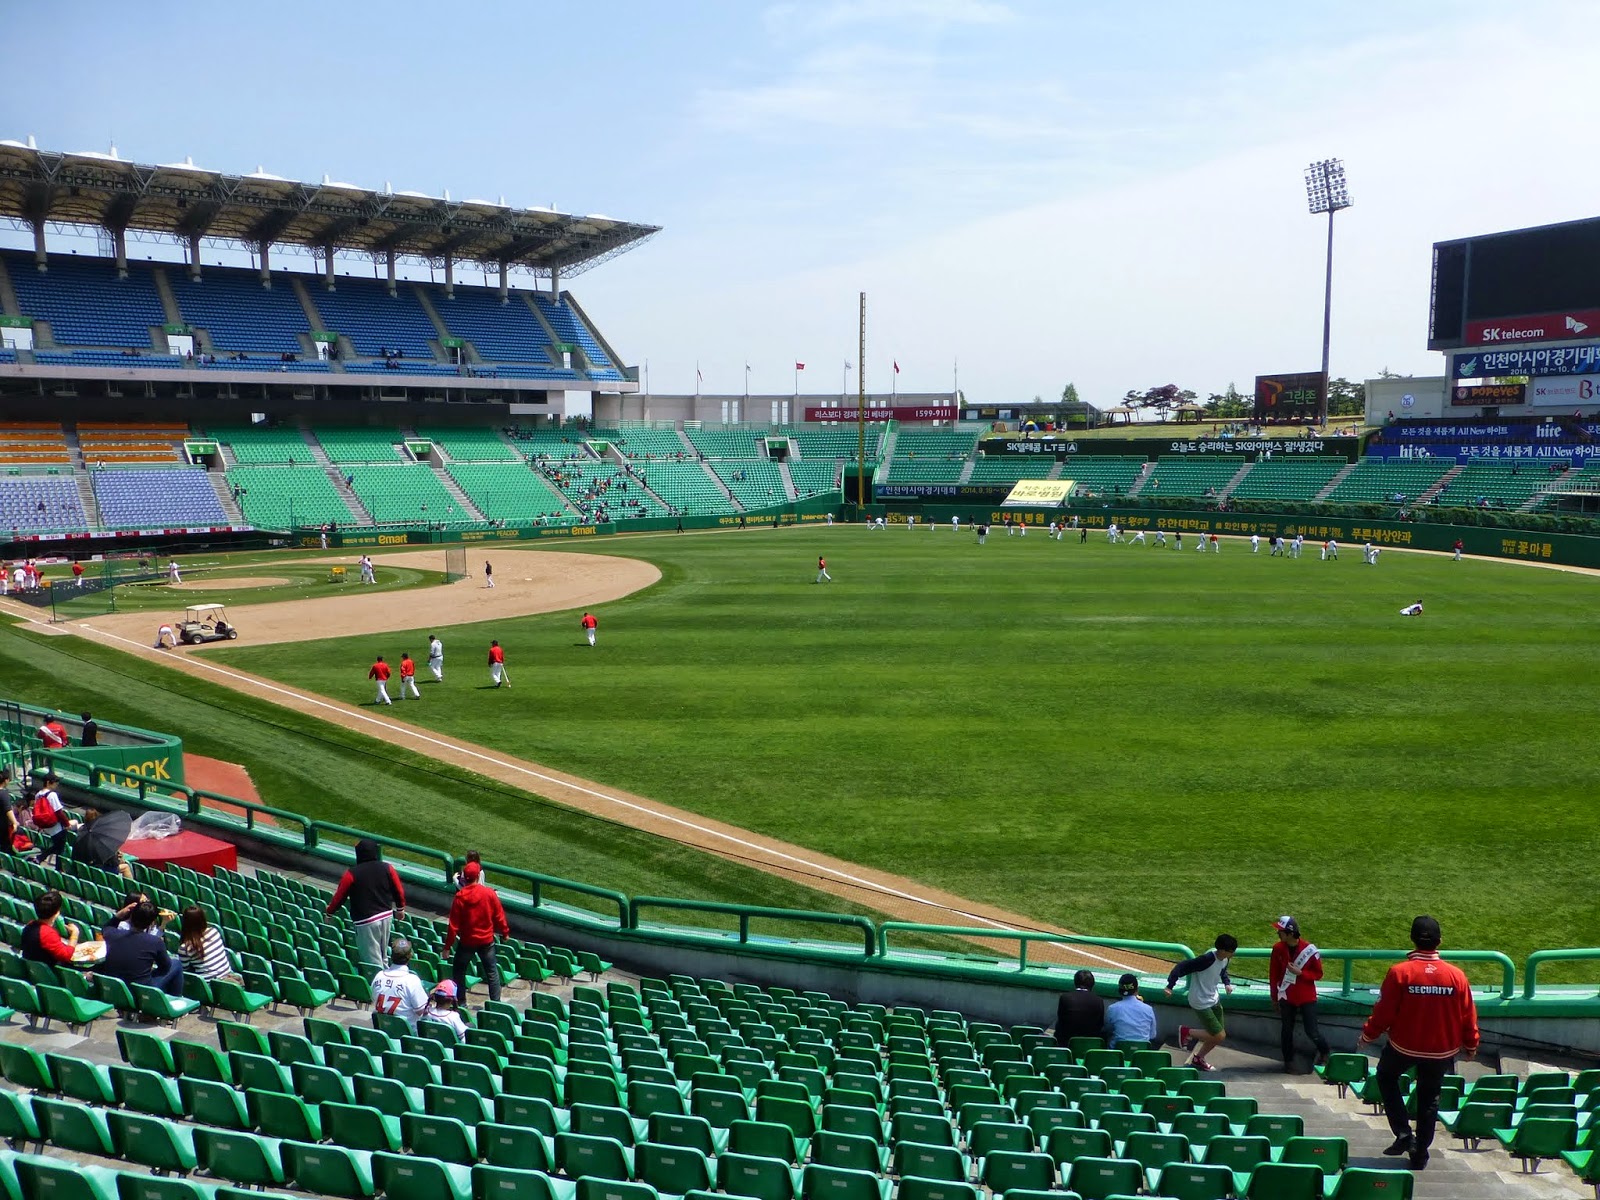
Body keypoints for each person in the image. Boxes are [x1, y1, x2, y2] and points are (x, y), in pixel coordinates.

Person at [1357, 916, 1479, 1171]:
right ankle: (1420, 1153)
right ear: (1439, 942)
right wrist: (1471, 1045)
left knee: (1386, 1077)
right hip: (1441, 1050)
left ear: (1412, 939)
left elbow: (1383, 1013)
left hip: (1403, 1046)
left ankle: (1403, 1133)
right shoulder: (1456, 976)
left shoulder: (1399, 972)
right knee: (1429, 1099)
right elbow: (1468, 1015)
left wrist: (1368, 1035)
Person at [325, 838, 407, 971]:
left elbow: (340, 896)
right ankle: (386, 983)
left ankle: (378, 987)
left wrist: (330, 912)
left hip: (366, 921)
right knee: (383, 956)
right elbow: (398, 889)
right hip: (386, 916)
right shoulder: (387, 867)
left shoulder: (352, 873)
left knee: (372, 960)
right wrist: (400, 908)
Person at [1166, 933, 1238, 1072]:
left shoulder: (1224, 959)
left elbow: (1222, 972)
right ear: (1222, 950)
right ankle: (1186, 1031)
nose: (1233, 954)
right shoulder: (1206, 959)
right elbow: (1181, 967)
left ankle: (1199, 1058)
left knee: (1218, 1036)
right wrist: (1170, 986)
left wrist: (1227, 984)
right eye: (1231, 951)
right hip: (1200, 1001)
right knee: (1219, 1035)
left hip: (1213, 998)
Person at [1269, 916, 1330, 1073]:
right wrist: (1274, 997)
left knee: (1312, 1030)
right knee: (1286, 1030)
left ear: (1290, 933)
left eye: (1280, 931)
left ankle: (1325, 1052)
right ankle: (1288, 1061)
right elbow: (1273, 974)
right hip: (1286, 996)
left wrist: (1301, 973)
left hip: (1306, 996)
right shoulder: (1277, 949)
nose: (1278, 934)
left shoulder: (1310, 950)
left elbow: (1318, 974)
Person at [444, 862, 509, 1003]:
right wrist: (505, 933)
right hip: (486, 941)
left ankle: (461, 1003)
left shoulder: (460, 896)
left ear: (464, 878)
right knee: (492, 972)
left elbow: (453, 926)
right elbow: (499, 916)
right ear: (478, 876)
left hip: (467, 941)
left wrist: (447, 947)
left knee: (459, 972)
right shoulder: (489, 893)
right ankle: (496, 1004)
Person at [102, 898, 183, 996]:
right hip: (141, 992)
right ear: (152, 922)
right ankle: (176, 1000)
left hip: (115, 988)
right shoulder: (155, 942)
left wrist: (120, 914)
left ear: (132, 915)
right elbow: (165, 967)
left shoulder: (112, 934)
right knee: (176, 963)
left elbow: (106, 927)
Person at [372, 938, 431, 1031]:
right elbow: (423, 1011)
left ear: (391, 956)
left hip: (382, 1031)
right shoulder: (412, 980)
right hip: (407, 1035)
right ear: (410, 956)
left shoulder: (379, 976)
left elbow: (374, 999)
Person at [176, 905, 238, 982]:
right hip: (227, 976)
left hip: (208, 984)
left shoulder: (185, 948)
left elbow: (184, 969)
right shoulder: (214, 932)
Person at [20, 889, 80, 964]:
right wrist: (75, 934)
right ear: (57, 913)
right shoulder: (47, 933)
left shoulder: (30, 925)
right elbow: (66, 956)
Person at [73, 808, 133, 878]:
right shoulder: (103, 837)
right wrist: (118, 858)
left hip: (88, 868)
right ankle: (133, 889)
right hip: (100, 870)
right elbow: (113, 862)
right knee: (125, 867)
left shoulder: (82, 835)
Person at [29, 771, 73, 866]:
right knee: (59, 848)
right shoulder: (52, 795)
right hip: (55, 825)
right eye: (55, 782)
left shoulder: (38, 794)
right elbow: (59, 812)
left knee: (57, 846)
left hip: (45, 826)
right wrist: (67, 824)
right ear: (48, 782)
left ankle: (41, 858)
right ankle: (56, 867)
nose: (56, 784)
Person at [1104, 973, 1158, 1049]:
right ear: (1137, 989)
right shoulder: (1148, 1009)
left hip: (1117, 1056)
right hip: (1140, 1055)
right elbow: (1152, 1035)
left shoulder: (1112, 1008)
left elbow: (1108, 1030)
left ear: (1119, 990)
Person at [1054, 970, 1104, 1046]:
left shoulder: (1065, 998)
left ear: (1075, 982)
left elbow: (1061, 1020)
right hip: (1090, 1045)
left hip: (1066, 1043)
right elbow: (1100, 1025)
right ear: (1092, 984)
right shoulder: (1098, 1000)